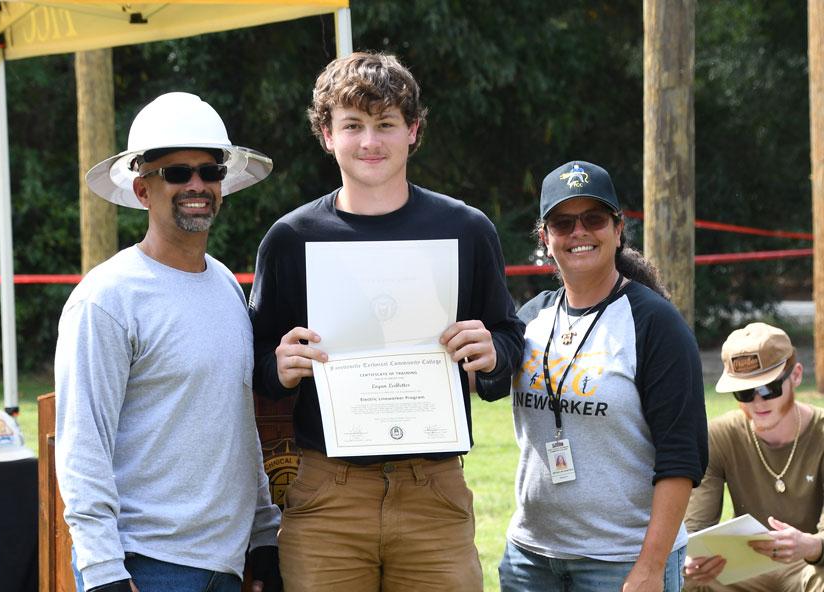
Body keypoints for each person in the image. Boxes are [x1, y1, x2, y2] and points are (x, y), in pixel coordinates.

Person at [248, 52, 525, 591]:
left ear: (413, 130)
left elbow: (508, 335)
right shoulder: (290, 238)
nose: (369, 141)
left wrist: (493, 354)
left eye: (386, 124)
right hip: (328, 493)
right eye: (353, 125)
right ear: (327, 134)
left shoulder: (466, 229)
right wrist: (277, 367)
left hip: (433, 489)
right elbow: (254, 358)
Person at [54, 92, 281, 592]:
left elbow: (236, 422)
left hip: (227, 563)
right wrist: (103, 570)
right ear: (142, 189)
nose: (196, 185)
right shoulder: (107, 298)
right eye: (177, 173)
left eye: (210, 171)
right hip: (143, 565)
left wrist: (264, 532)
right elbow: (83, 445)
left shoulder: (226, 285)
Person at [495, 160, 708, 592]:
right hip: (531, 559)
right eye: (563, 223)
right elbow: (485, 381)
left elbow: (682, 457)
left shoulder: (655, 323)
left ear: (618, 228)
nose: (579, 232)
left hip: (621, 561)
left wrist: (650, 567)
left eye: (593, 219)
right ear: (545, 238)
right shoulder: (531, 317)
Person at [683, 322, 824, 591]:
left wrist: (810, 545)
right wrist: (692, 561)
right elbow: (696, 529)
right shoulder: (719, 435)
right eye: (745, 392)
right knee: (682, 578)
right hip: (743, 567)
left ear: (795, 375)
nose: (758, 402)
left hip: (810, 566)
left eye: (769, 388)